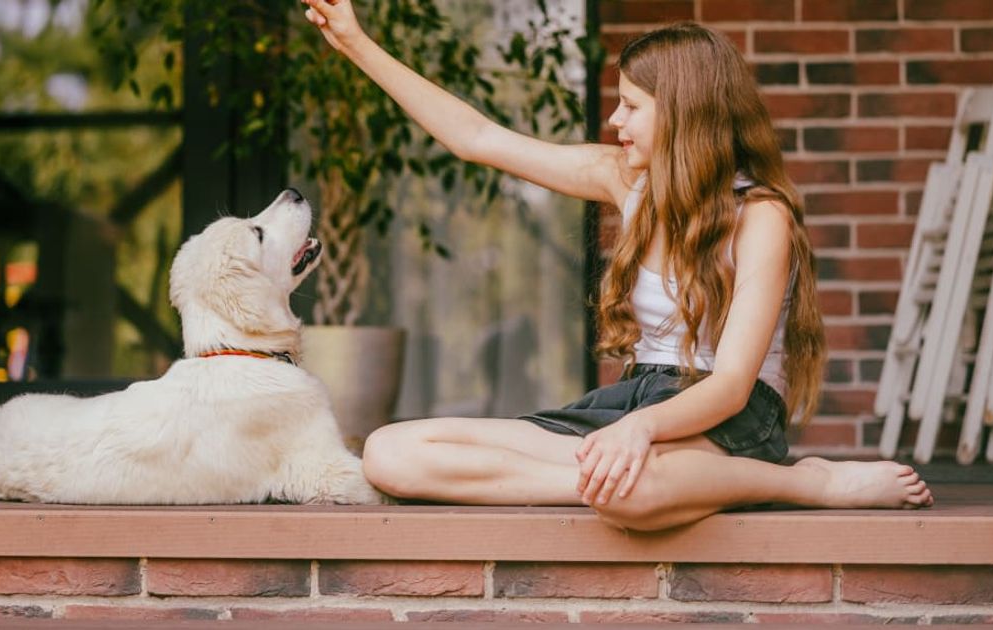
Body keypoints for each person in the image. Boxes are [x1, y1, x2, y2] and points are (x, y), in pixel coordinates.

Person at [300, 0, 933, 531]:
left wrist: (641, 433)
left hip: (725, 414)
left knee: (628, 493)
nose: (614, 121)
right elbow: (477, 138)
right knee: (390, 453)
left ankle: (804, 484)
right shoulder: (622, 179)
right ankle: (621, 480)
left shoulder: (759, 217)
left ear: (683, 113)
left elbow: (732, 384)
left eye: (631, 106)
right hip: (635, 397)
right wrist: (354, 41)